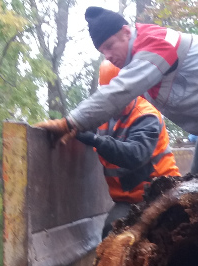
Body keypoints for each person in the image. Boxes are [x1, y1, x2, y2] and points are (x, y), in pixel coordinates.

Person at [36, 7, 198, 173]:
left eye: (109, 46)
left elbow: (118, 92)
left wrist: (71, 122)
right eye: (102, 52)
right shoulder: (136, 63)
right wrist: (81, 125)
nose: (107, 55)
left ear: (126, 32)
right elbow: (116, 97)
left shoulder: (155, 43)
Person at [75, 60, 180, 237]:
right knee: (112, 234)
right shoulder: (102, 115)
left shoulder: (146, 116)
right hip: (128, 200)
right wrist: (67, 128)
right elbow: (79, 124)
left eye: (116, 94)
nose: (111, 100)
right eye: (107, 94)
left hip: (161, 195)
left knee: (166, 238)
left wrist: (96, 140)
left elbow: (135, 155)